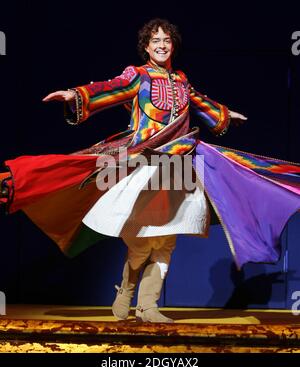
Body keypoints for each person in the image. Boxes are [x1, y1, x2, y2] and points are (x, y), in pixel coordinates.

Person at [1, 19, 299, 323]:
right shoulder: (138, 76)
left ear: (173, 45)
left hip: (179, 163)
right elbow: (111, 89)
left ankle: (148, 306)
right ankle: (126, 292)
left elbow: (201, 102)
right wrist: (76, 95)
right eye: (155, 40)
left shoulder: (182, 80)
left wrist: (224, 114)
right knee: (142, 240)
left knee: (167, 240)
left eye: (167, 40)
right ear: (146, 46)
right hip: (145, 161)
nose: (161, 44)